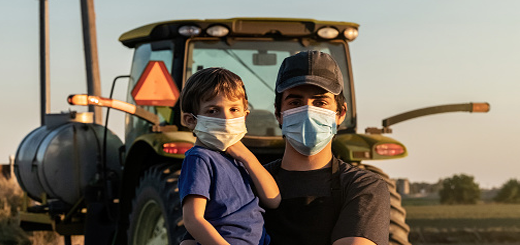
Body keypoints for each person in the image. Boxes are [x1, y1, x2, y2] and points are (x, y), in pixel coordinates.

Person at [263, 51, 390, 245]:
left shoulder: (362, 187)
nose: (308, 111)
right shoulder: (249, 183)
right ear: (278, 113)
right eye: (295, 102)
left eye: (320, 102)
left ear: (341, 113)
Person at [178, 67, 281, 245]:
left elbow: (273, 200)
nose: (226, 118)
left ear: (245, 115)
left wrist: (247, 157)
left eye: (234, 109)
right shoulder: (199, 159)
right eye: (212, 111)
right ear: (191, 120)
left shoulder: (238, 159)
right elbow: (193, 219)